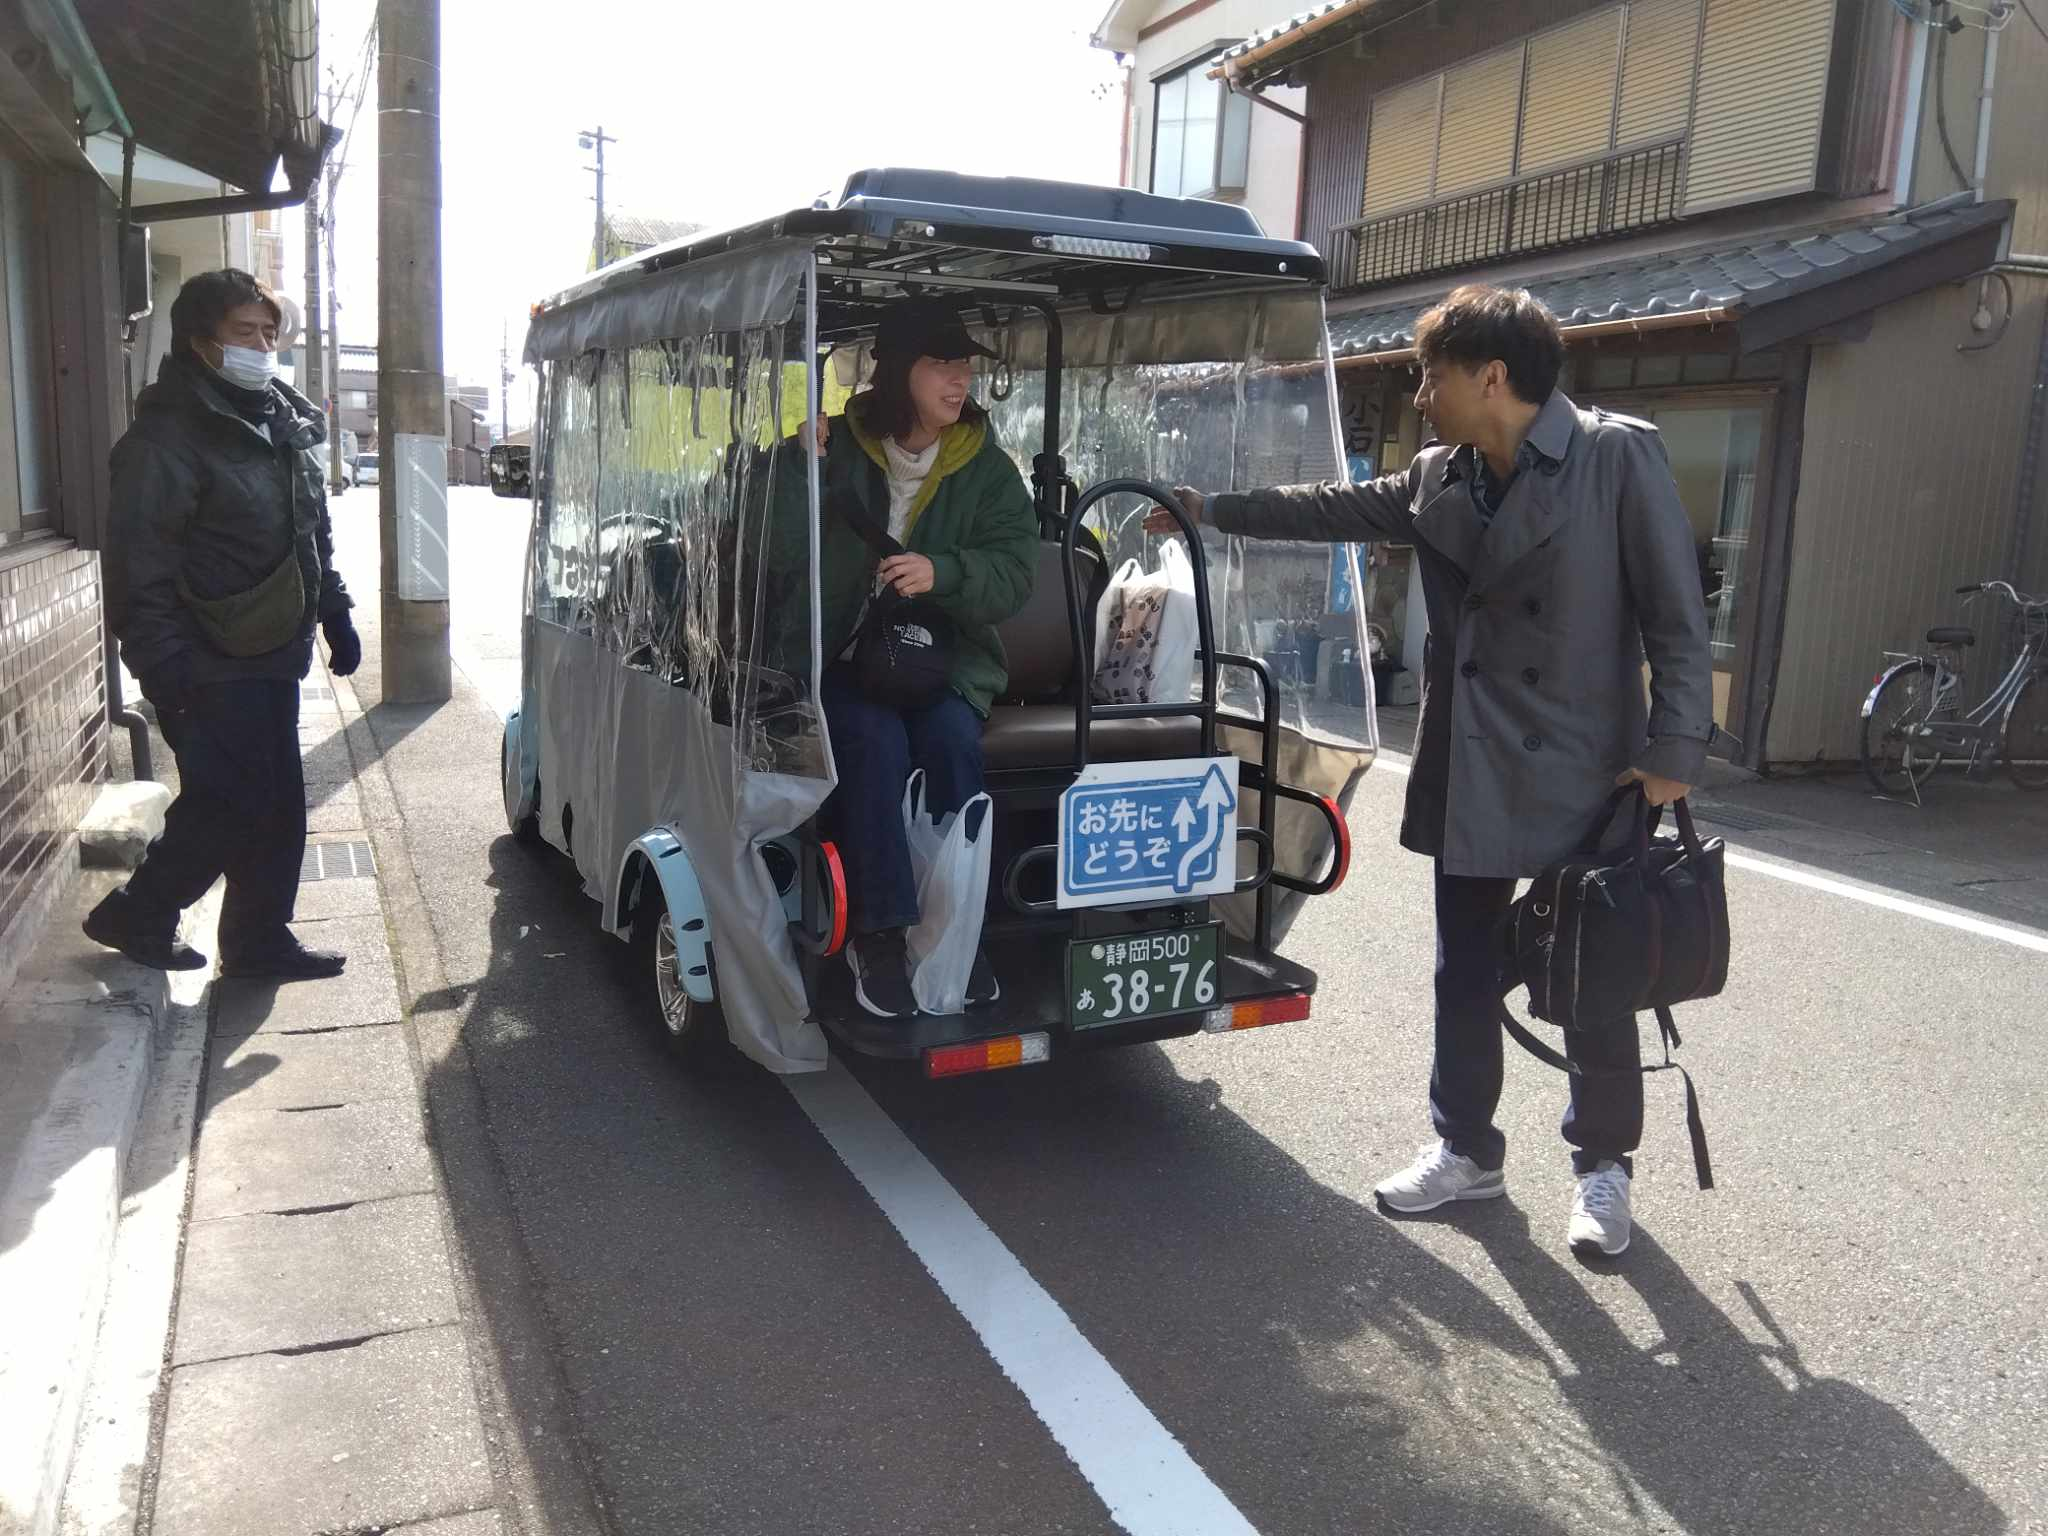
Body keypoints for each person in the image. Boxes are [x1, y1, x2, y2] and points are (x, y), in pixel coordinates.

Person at [1150, 284, 1713, 1258]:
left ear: (1490, 377)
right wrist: (1208, 510)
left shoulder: (1613, 456)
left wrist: (1671, 755)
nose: (1419, 393)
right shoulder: (1438, 475)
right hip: (1473, 761)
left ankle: (1601, 1169)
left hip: (1589, 767)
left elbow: (1675, 617)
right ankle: (1465, 1148)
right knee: (1462, 970)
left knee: (1594, 975)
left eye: (1431, 375)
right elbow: (1327, 508)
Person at [86, 269, 359, 980]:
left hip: (272, 649)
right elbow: (137, 566)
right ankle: (139, 911)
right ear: (200, 341)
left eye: (269, 332)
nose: (263, 346)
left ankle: (259, 940)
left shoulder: (278, 419)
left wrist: (334, 609)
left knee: (277, 805)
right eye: (246, 332)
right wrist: (164, 669)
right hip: (203, 657)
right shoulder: (166, 438)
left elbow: (310, 531)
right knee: (228, 801)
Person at [803, 299, 1037, 1018]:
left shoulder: (989, 471)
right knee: (873, 742)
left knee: (951, 743)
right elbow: (767, 546)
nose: (960, 379)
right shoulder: (833, 446)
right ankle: (879, 937)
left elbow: (1015, 573)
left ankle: (956, 934)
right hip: (840, 660)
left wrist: (946, 572)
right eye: (943, 364)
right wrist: (791, 467)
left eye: (965, 365)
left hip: (943, 663)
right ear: (901, 370)